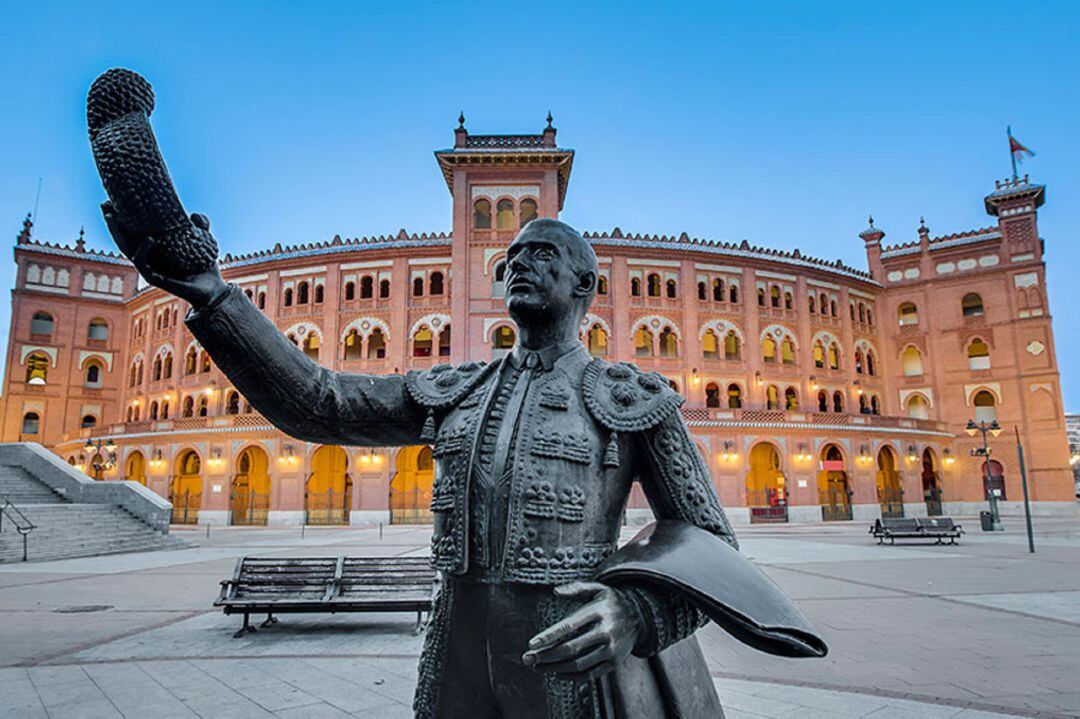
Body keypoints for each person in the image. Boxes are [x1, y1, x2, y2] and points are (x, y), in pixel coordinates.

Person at [103, 205, 823, 718]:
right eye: (513, 257)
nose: (520, 264)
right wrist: (214, 297)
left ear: (584, 286)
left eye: (544, 253)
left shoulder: (632, 397)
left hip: (573, 651)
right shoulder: (458, 391)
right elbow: (317, 401)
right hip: (458, 648)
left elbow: (707, 539)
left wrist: (636, 611)